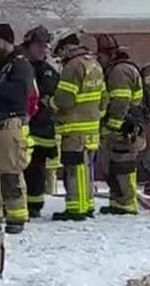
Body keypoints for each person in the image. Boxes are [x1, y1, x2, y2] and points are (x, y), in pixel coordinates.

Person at [0, 24, 35, 234]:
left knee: (11, 174)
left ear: (8, 42)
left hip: (9, 126)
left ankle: (17, 217)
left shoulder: (21, 66)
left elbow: (21, 94)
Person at [50, 29, 107, 221]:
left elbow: (65, 100)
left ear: (66, 47)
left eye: (59, 52)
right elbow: (104, 98)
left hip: (74, 129)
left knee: (75, 168)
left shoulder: (73, 67)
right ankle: (88, 204)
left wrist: (50, 103)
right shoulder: (95, 64)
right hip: (92, 128)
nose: (59, 57)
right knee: (87, 167)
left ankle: (76, 208)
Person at [95, 34, 145, 215]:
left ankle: (126, 203)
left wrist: (111, 127)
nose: (99, 61)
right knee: (116, 165)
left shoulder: (119, 72)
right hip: (126, 125)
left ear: (109, 54)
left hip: (124, 128)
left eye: (100, 57)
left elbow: (120, 102)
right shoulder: (120, 69)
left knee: (123, 165)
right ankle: (118, 201)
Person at [20, 26, 59, 218]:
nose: (44, 50)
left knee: (37, 168)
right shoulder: (17, 66)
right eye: (39, 45)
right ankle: (17, 205)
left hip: (42, 130)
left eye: (46, 46)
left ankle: (34, 205)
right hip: (20, 126)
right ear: (28, 45)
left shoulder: (49, 72)